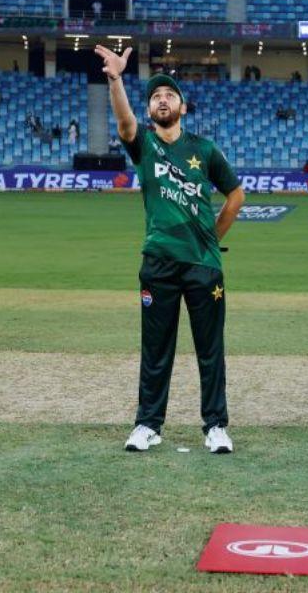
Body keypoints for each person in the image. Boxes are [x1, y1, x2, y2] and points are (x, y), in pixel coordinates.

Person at [95, 44, 245, 455]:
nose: (162, 100)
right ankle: (148, 424)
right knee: (156, 350)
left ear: (183, 106)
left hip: (203, 266)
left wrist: (212, 234)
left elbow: (236, 194)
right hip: (158, 262)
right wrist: (115, 79)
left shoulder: (205, 149)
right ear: (149, 110)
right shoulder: (144, 143)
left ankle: (216, 426)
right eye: (156, 97)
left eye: (169, 95)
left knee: (210, 351)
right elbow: (124, 122)